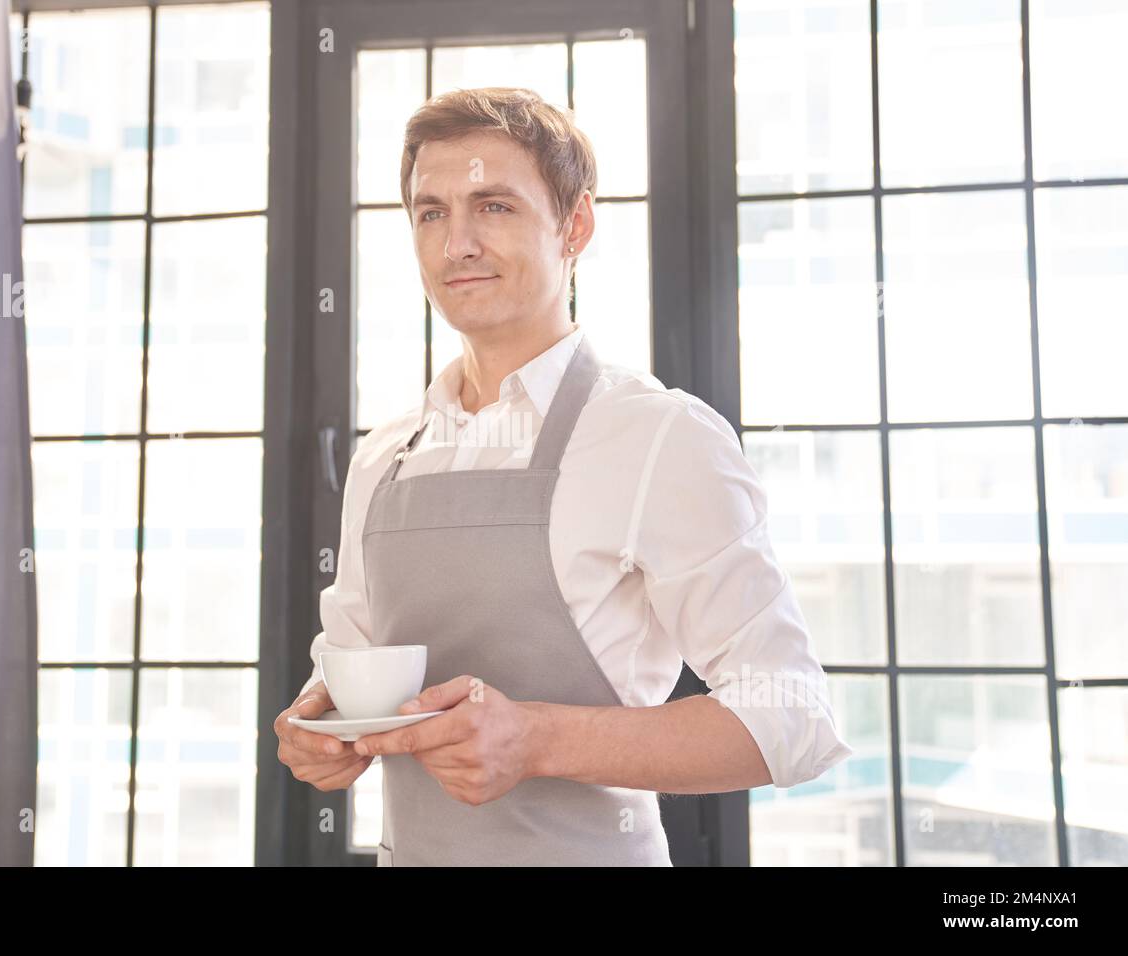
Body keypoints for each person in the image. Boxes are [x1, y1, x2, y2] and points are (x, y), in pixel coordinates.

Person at [274, 87, 853, 866]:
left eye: (495, 206)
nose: (458, 245)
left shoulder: (658, 436)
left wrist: (538, 739)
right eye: (432, 213)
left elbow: (795, 715)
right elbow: (347, 662)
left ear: (574, 226)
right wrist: (320, 728)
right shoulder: (386, 455)